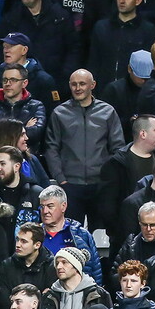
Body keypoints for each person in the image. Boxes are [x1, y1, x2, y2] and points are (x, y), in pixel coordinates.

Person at [45, 69, 125, 225]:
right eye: (74, 84)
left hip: (100, 185)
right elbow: (51, 148)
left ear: (92, 85)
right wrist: (61, 179)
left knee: (101, 235)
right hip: (70, 185)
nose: (77, 88)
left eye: (82, 84)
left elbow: (118, 148)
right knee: (70, 233)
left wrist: (109, 179)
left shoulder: (108, 112)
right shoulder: (59, 113)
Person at [41, 245, 111, 309]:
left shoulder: (98, 295)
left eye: (64, 262)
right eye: (57, 263)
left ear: (76, 266)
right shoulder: (49, 297)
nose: (59, 266)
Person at [0, 223, 58, 309]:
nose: (18, 245)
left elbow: (49, 302)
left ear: (37, 245)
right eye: (18, 239)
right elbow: (2, 299)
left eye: (23, 241)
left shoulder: (51, 267)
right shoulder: (7, 266)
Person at [39, 185, 103, 284]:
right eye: (42, 207)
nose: (45, 211)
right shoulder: (34, 235)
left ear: (63, 206)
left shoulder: (81, 235)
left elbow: (95, 270)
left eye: (50, 206)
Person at [0, 63, 47, 147]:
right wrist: (24, 129)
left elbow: (35, 133)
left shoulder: (36, 106)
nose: (7, 83)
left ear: (24, 83)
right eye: (5, 80)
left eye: (13, 80)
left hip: (27, 156)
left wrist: (1, 132)